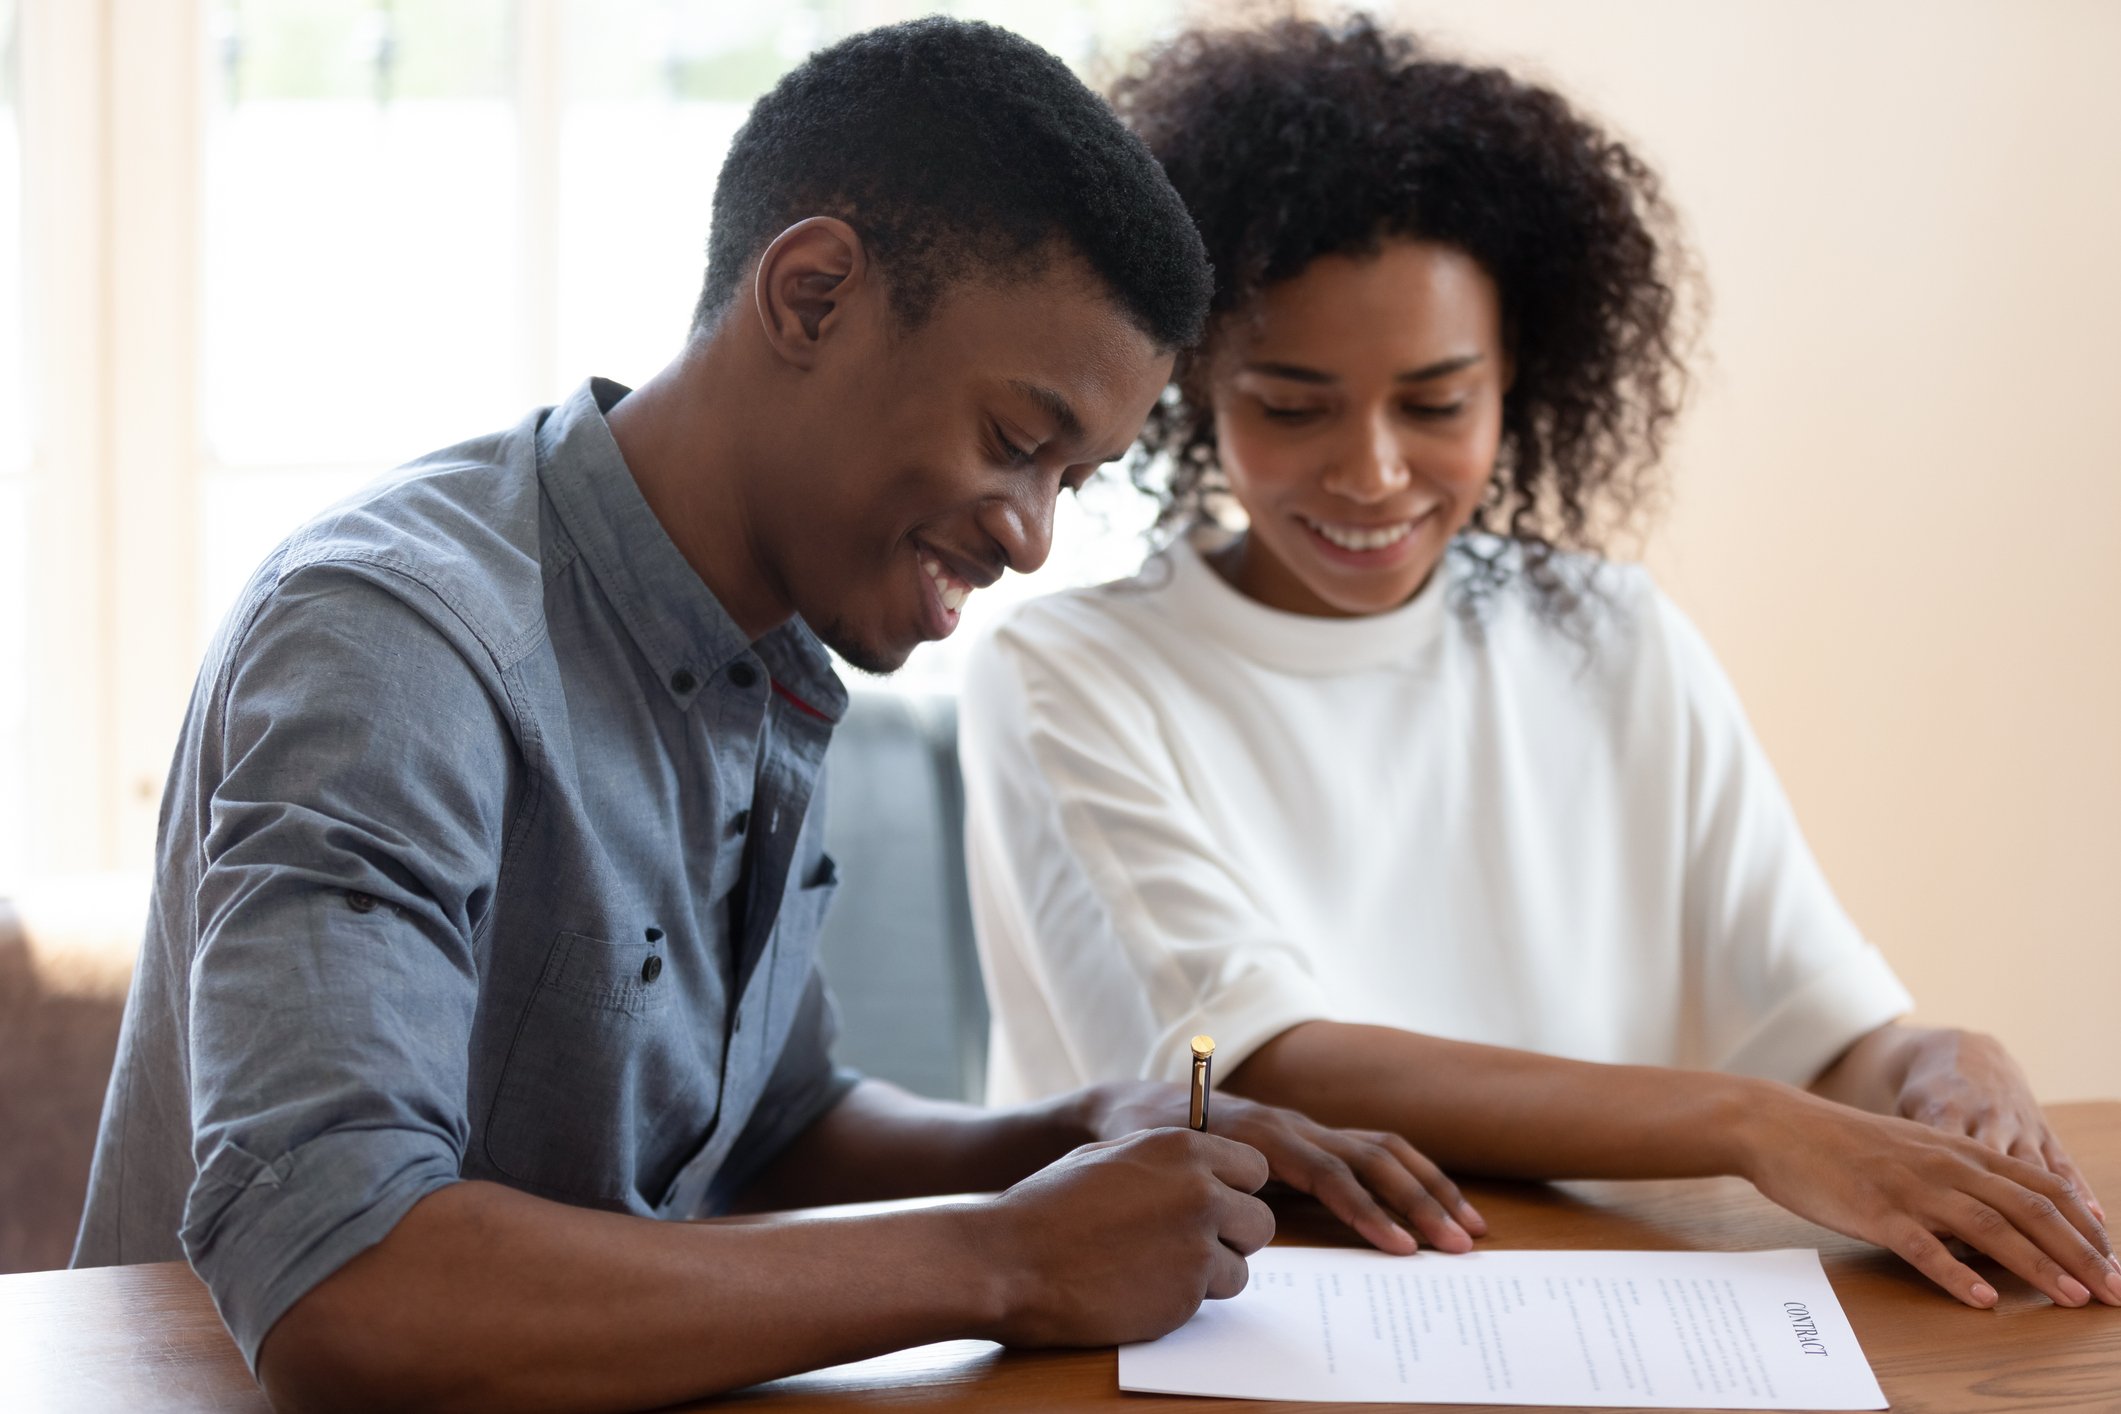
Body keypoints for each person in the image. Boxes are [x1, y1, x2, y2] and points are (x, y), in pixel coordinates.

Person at [71, 20, 1464, 1411]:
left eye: (1074, 478)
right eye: (1013, 441)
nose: (1033, 537)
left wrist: (1076, 1130)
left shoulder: (770, 648)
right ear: (809, 296)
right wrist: (1000, 1257)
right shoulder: (391, 642)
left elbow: (772, 1125)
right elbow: (341, 1286)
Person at [960, 15, 2121, 1315]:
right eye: (1290, 404)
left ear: (1517, 375)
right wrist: (1752, 1125)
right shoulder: (1067, 669)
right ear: (1191, 390)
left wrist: (1932, 1062)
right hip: (1234, 1328)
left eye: (1437, 402)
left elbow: (1821, 1029)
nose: (1372, 471)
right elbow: (1264, 1065)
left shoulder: (1604, 629)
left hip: (1588, 1317)